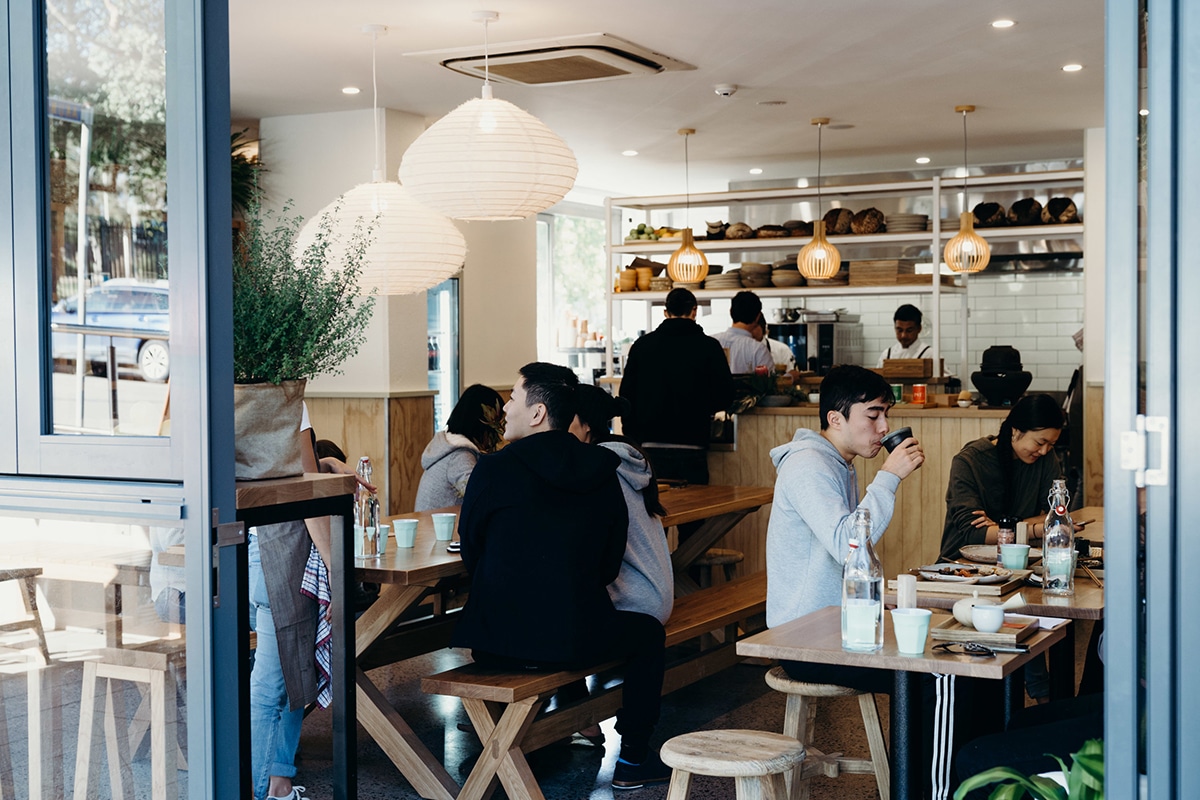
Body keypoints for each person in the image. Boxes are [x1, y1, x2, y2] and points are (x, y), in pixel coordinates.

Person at [453, 363, 670, 789]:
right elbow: (608, 565)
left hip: (496, 642)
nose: (506, 408)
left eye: (513, 398)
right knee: (647, 634)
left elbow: (471, 550)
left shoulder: (492, 469)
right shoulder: (600, 469)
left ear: (537, 413)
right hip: (577, 640)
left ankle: (503, 751)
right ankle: (632, 758)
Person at [766, 364, 925, 636]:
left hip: (838, 622)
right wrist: (888, 476)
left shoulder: (841, 464)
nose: (885, 427)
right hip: (802, 634)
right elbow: (847, 547)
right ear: (836, 419)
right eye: (873, 416)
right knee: (923, 667)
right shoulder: (807, 466)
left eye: (886, 414)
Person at [571, 384, 674, 625]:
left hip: (633, 604)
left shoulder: (600, 468)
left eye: (565, 415)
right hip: (653, 594)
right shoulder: (626, 455)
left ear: (586, 425)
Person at [619, 287, 734, 487]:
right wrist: (701, 407)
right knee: (695, 513)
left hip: (650, 447)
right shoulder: (710, 347)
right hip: (693, 444)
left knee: (656, 513)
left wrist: (634, 437)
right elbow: (725, 396)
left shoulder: (642, 346)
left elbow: (626, 397)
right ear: (694, 311)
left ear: (666, 312)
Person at [939, 393, 1065, 561]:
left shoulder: (1045, 457)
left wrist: (1002, 527)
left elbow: (1056, 513)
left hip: (1019, 560)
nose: (1044, 450)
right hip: (962, 565)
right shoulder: (969, 461)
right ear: (1016, 431)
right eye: (1040, 443)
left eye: (1051, 444)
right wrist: (1034, 528)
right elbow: (975, 534)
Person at [414, 384, 505, 511]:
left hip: (431, 524)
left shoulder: (448, 446)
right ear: (485, 423)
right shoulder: (459, 456)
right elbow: (481, 497)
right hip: (438, 528)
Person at [712, 290, 775, 374]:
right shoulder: (758, 349)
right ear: (758, 317)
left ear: (730, 311)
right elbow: (768, 384)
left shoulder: (711, 342)